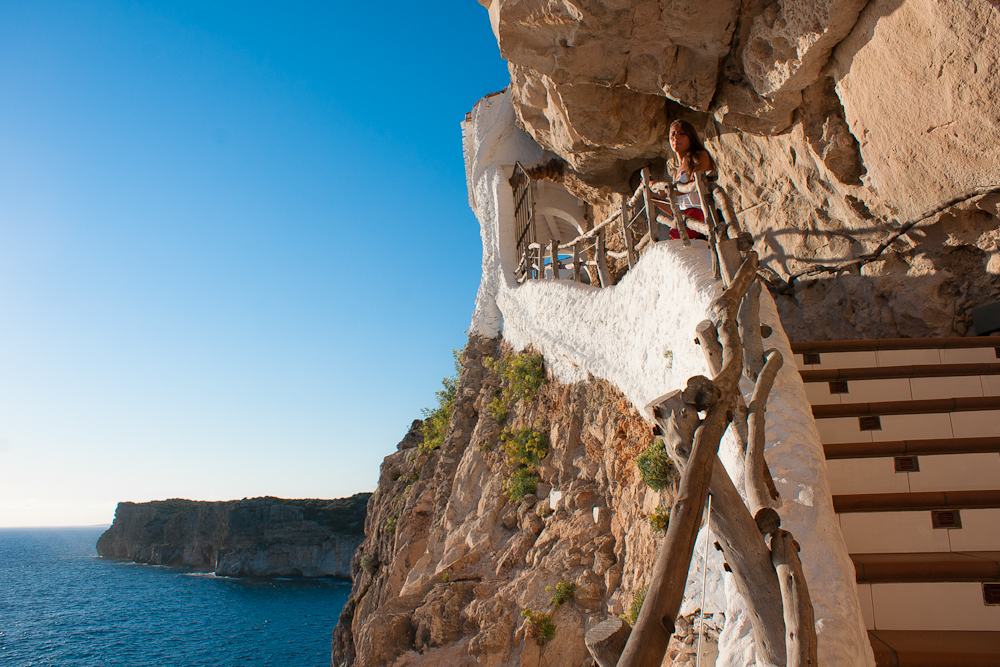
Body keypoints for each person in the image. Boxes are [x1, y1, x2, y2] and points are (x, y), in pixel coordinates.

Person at [652, 120, 716, 239]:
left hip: (703, 216)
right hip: (686, 219)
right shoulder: (676, 172)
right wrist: (653, 198)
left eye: (681, 133)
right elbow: (678, 208)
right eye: (673, 134)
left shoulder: (700, 156)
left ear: (691, 139)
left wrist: (665, 192)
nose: (676, 137)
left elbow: (696, 184)